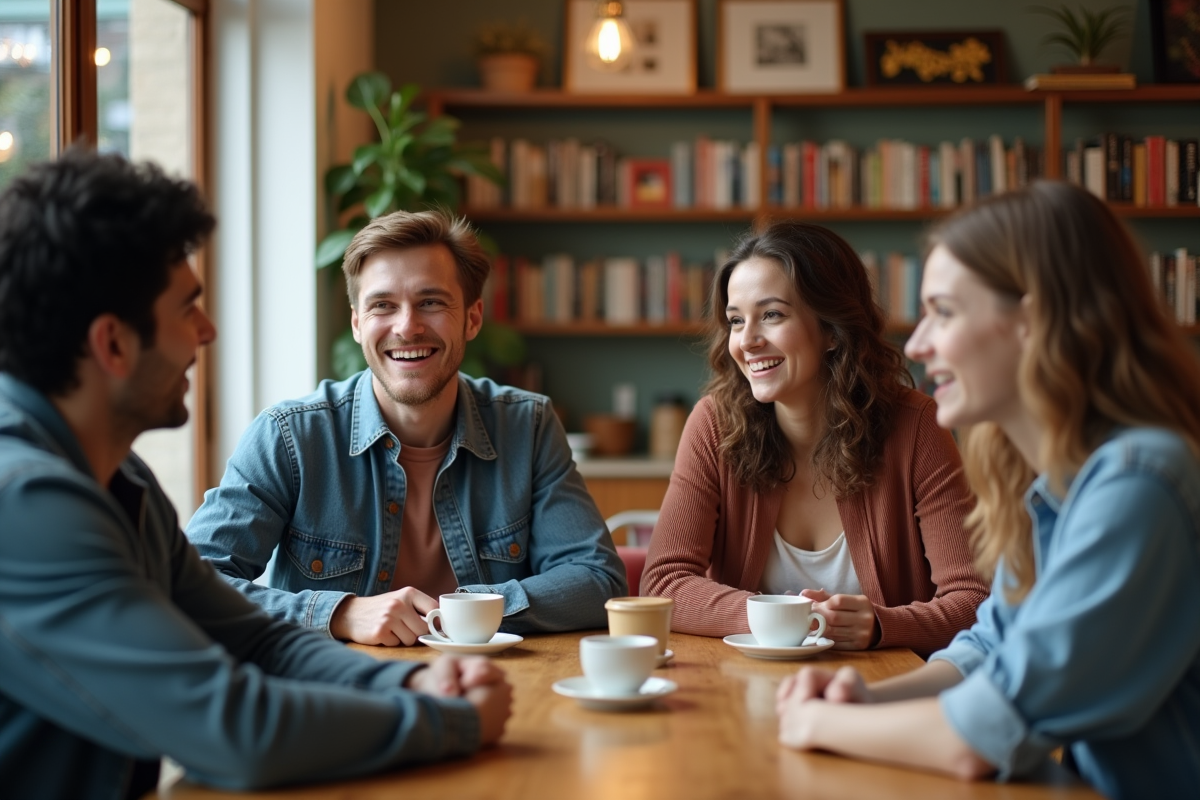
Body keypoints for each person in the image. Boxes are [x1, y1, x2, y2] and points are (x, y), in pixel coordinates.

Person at [0, 150, 512, 799]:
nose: (207, 331)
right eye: (187, 308)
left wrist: (411, 680)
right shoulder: (25, 505)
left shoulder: (120, 480)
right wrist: (447, 721)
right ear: (113, 344)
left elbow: (257, 640)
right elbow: (232, 728)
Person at [776, 181, 1200, 799]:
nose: (917, 344)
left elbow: (982, 735)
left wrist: (816, 722)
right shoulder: (1059, 486)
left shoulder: (1140, 483)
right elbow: (989, 648)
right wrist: (863, 697)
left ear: (1033, 320)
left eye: (944, 312)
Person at [186, 209, 626, 646]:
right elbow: (190, 586)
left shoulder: (528, 427)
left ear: (472, 319)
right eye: (383, 305)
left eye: (431, 302)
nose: (407, 327)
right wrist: (339, 613)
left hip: (490, 677)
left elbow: (596, 579)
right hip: (335, 681)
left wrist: (461, 612)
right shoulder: (288, 437)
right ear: (357, 324)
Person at [641, 221, 986, 656]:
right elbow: (663, 583)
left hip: (879, 684)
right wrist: (780, 617)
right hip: (743, 681)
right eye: (736, 321)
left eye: (772, 315)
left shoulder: (916, 426)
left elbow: (975, 601)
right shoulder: (714, 424)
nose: (747, 341)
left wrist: (882, 625)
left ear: (831, 329)